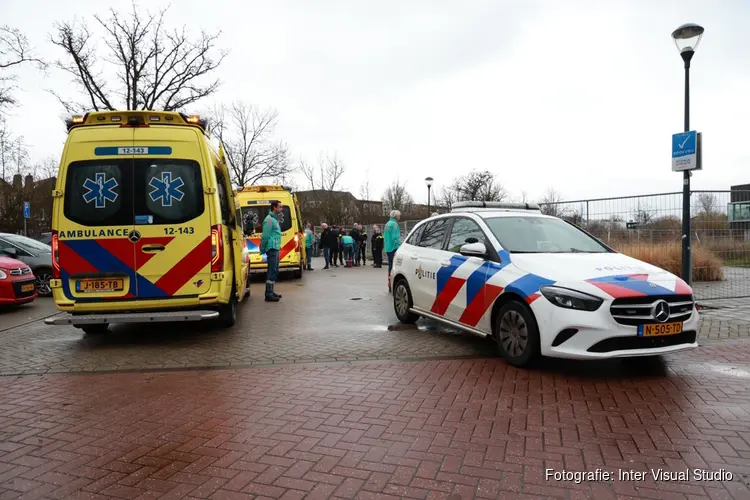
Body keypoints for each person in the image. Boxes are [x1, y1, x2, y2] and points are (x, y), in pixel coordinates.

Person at [261, 200, 283, 302]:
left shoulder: (274, 220)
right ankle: (268, 294)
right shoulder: (269, 220)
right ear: (274, 207)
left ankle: (271, 291)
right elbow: (265, 236)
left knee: (274, 270)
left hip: (275, 248)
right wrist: (262, 249)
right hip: (272, 248)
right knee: (272, 270)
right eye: (280, 207)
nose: (281, 209)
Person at [384, 210, 402, 291]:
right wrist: (400, 246)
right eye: (399, 215)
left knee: (390, 266)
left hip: (388, 247)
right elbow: (396, 237)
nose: (400, 217)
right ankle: (393, 283)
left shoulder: (387, 223)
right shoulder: (395, 224)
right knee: (395, 266)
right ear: (396, 216)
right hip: (394, 247)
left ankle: (389, 283)